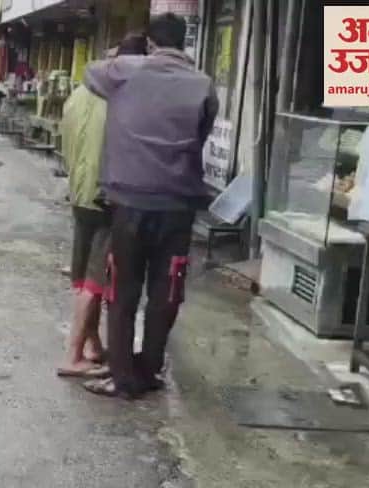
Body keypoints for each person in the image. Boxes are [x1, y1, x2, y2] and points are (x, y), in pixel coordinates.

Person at [81, 13, 217, 399]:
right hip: (178, 205)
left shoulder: (124, 72)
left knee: (122, 292)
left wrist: (130, 57)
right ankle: (150, 369)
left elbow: (90, 73)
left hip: (129, 203)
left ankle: (122, 377)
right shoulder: (203, 84)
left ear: (152, 44)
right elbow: (201, 134)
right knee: (166, 291)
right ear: (185, 42)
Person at [56, 34, 147, 378]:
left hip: (80, 192)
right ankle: (73, 354)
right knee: (97, 280)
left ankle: (92, 345)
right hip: (107, 195)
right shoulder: (122, 97)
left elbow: (66, 144)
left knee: (82, 276)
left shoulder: (79, 94)